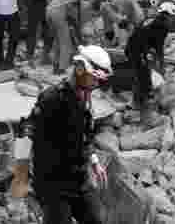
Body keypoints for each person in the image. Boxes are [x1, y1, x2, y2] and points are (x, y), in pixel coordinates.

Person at [18, 45, 112, 224]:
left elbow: (85, 134)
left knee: (96, 220)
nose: (96, 84)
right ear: (79, 69)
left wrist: (94, 161)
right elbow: (28, 126)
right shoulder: (53, 98)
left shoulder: (84, 97)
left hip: (78, 178)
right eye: (93, 78)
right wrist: (21, 171)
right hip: (52, 183)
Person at [126, 1, 175, 125]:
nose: (172, 20)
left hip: (132, 47)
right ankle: (144, 113)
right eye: (172, 17)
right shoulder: (162, 26)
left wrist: (154, 59)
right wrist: (161, 64)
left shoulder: (152, 20)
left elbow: (149, 41)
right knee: (145, 81)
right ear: (168, 16)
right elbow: (158, 48)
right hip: (137, 51)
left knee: (141, 76)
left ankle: (135, 103)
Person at [47, 0, 88, 74]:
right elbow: (72, 13)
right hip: (58, 14)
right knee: (66, 43)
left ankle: (56, 67)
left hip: (48, 11)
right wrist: (78, 34)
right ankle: (62, 69)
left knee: (57, 41)